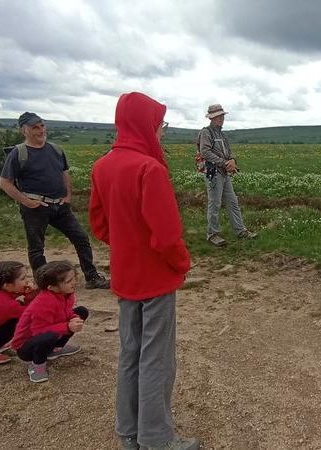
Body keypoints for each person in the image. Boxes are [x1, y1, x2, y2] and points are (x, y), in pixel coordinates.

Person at [89, 92, 199, 450]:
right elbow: (167, 236)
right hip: (154, 278)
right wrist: (182, 264)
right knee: (157, 359)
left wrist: (126, 245)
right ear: (145, 124)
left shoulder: (102, 166)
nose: (162, 131)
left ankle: (130, 432)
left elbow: (100, 225)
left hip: (125, 275)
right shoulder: (149, 168)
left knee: (129, 354)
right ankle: (157, 438)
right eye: (160, 124)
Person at [0, 112, 109, 290]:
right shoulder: (19, 153)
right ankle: (44, 285)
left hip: (60, 205)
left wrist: (68, 196)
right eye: (35, 127)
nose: (41, 130)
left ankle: (92, 277)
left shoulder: (56, 150)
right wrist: (26, 201)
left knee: (81, 238)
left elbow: (64, 173)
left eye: (42, 125)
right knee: (36, 248)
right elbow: (4, 182)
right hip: (35, 207)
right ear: (24, 130)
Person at [11, 260, 88, 383]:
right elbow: (39, 331)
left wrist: (73, 317)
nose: (74, 282)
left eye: (74, 277)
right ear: (51, 287)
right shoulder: (44, 302)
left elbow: (65, 314)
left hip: (48, 333)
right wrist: (68, 326)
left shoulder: (67, 294)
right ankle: (37, 366)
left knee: (81, 312)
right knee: (48, 336)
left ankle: (55, 349)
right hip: (26, 347)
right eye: (68, 281)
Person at [199, 103, 257, 247]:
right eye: (218, 116)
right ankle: (212, 234)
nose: (221, 118)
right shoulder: (206, 132)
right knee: (215, 204)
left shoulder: (222, 134)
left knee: (232, 202)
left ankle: (240, 230)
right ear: (212, 118)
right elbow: (205, 152)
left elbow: (229, 152)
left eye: (222, 116)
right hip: (213, 172)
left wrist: (232, 161)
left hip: (224, 173)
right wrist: (224, 163)